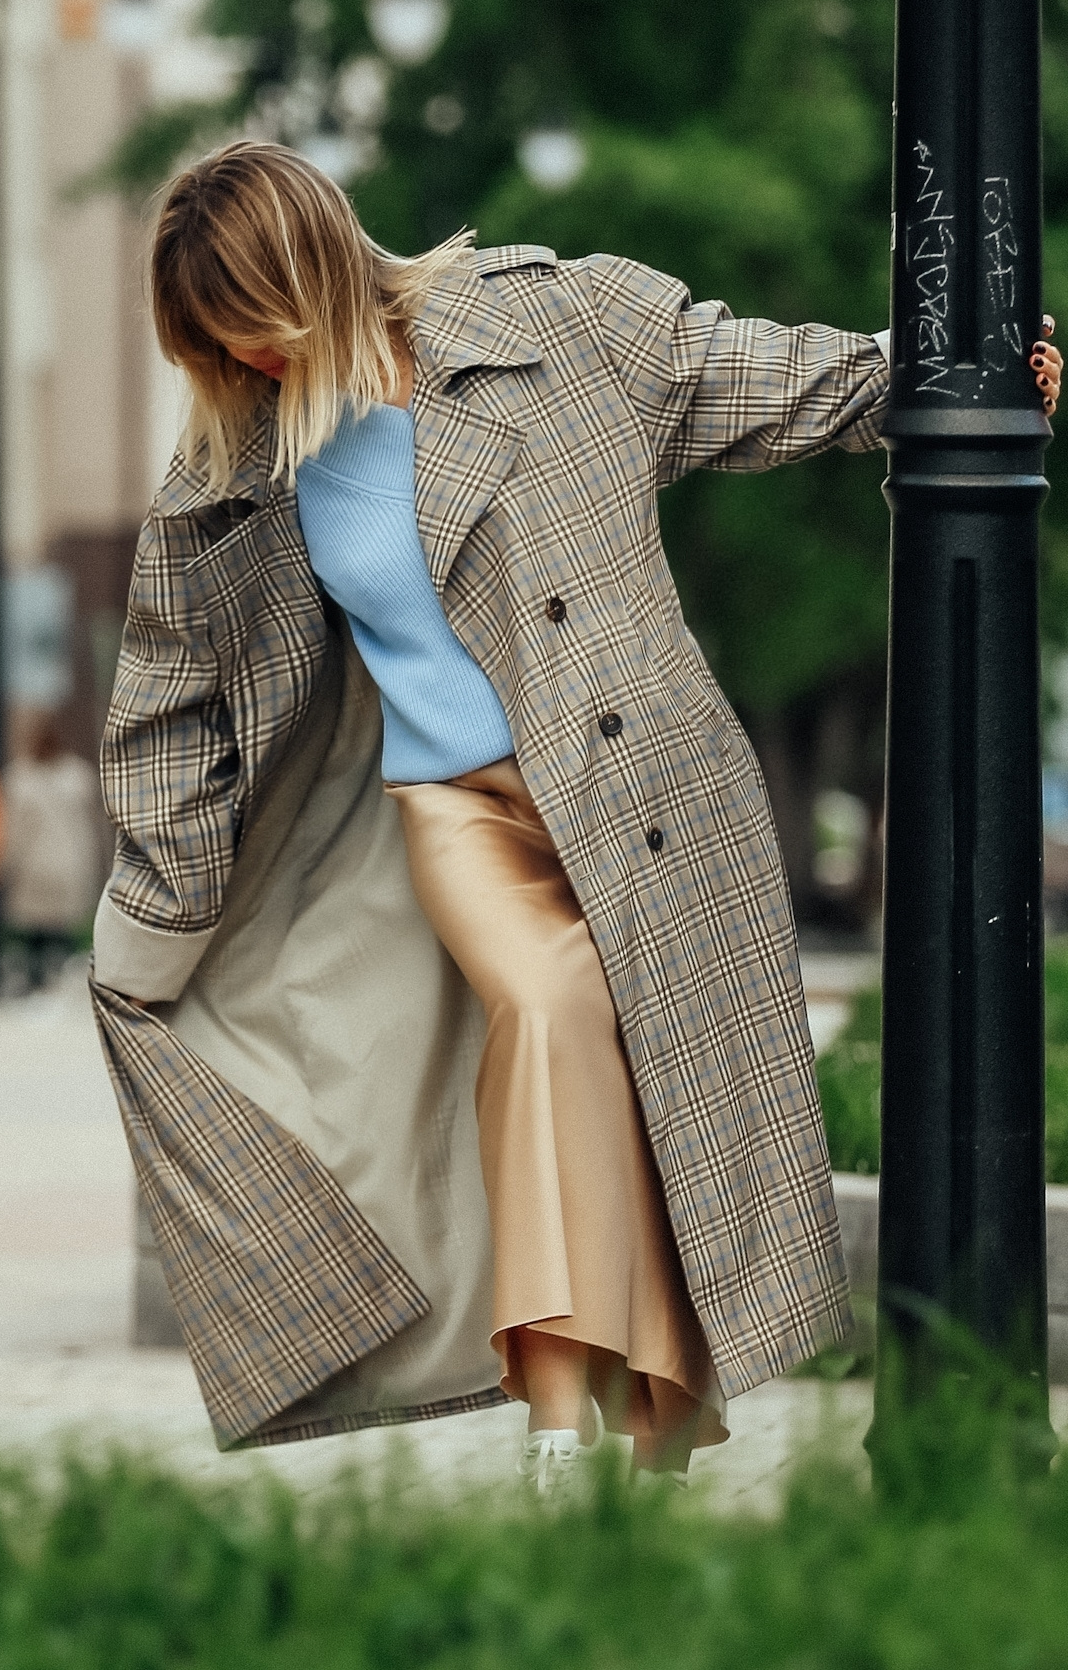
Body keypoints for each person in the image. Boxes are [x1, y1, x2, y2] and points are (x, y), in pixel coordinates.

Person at [89, 140, 1062, 1491]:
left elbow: (759, 373)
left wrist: (953, 371)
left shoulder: (555, 321)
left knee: (617, 1054)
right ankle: (558, 1417)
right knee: (550, 1007)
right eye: (214, 346)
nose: (244, 362)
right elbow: (166, 693)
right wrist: (154, 906)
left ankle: (637, 1410)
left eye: (253, 324)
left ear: (311, 269)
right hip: (453, 809)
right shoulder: (238, 478)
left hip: (639, 793)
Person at [0, 715, 100, 994]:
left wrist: (7, 862)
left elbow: (13, 829)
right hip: (66, 860)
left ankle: (39, 979)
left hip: (34, 862)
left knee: (37, 925)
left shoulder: (19, 778)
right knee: (58, 923)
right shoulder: (78, 776)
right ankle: (56, 978)